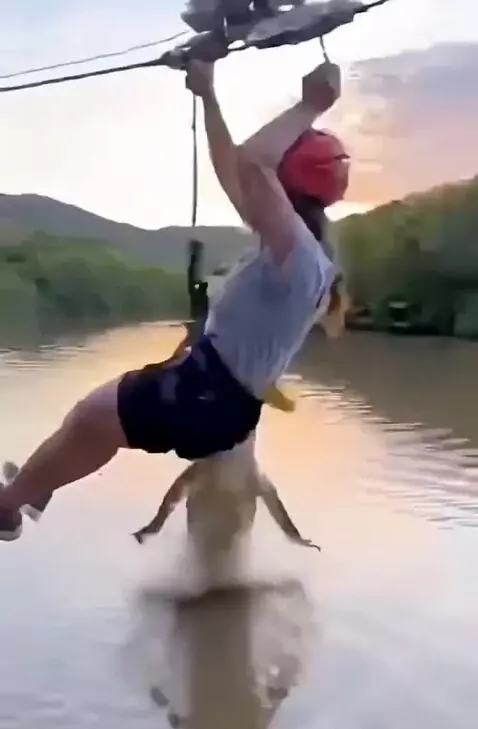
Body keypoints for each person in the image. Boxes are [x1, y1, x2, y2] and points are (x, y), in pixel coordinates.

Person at [0, 56, 349, 542]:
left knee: (91, 419)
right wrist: (208, 94)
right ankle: (24, 497)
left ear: (285, 186)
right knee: (93, 422)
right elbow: (236, 169)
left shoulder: (298, 257)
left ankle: (9, 507)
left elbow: (251, 162)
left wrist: (311, 105)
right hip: (213, 398)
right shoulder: (292, 249)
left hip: (205, 396)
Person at [132, 431, 320, 552]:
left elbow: (273, 502)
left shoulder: (250, 472)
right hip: (202, 529)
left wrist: (295, 536)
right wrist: (154, 526)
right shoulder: (205, 468)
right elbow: (176, 492)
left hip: (235, 528)